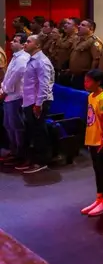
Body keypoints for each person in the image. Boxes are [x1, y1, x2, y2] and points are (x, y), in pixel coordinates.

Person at [19, 35, 55, 174]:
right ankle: (33, 159)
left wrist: (38, 104)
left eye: (28, 42)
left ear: (38, 45)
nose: (25, 44)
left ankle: (42, 161)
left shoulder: (42, 62)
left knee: (39, 132)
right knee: (32, 131)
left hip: (38, 102)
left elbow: (44, 85)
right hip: (29, 100)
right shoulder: (31, 59)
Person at [80, 69, 103, 217]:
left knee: (102, 169)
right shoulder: (91, 96)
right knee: (97, 169)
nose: (85, 83)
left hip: (101, 140)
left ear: (98, 82)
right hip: (92, 137)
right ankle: (99, 197)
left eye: (88, 81)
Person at [0, 33, 30, 168]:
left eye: (15, 41)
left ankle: (21, 154)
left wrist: (4, 91)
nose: (12, 42)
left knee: (17, 127)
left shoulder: (23, 58)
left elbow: (15, 78)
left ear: (23, 44)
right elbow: (7, 77)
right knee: (8, 125)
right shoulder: (15, 57)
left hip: (16, 97)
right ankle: (14, 151)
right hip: (8, 96)